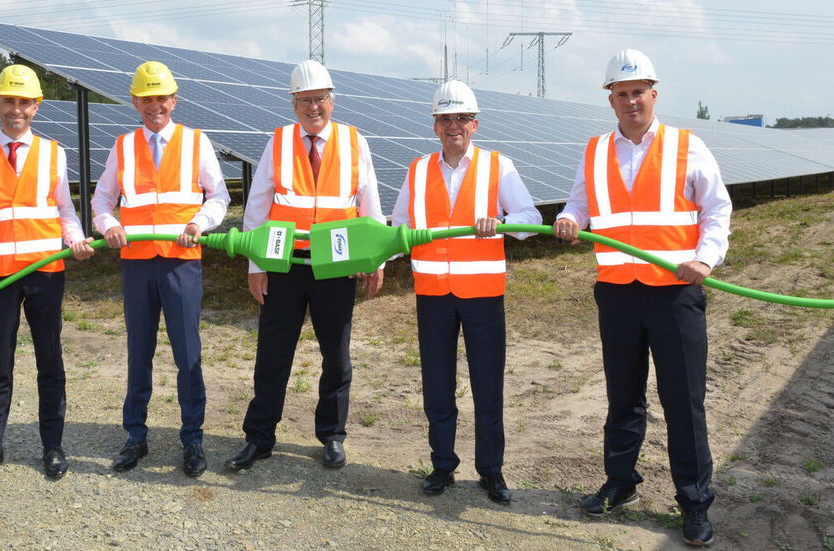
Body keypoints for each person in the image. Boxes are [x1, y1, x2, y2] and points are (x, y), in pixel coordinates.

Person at [554, 49, 731, 547]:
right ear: (610, 99)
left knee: (683, 402)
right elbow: (579, 203)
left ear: (654, 94)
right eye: (622, 93)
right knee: (622, 398)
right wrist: (571, 219)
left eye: (638, 92)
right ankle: (621, 483)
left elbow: (717, 209)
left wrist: (706, 259)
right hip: (616, 294)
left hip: (675, 293)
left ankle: (694, 502)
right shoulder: (594, 151)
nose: (631, 101)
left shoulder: (686, 146)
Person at [226, 59, 385, 471]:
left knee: (336, 355)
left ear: (331, 101)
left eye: (319, 99)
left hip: (336, 264)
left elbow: (369, 207)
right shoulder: (277, 141)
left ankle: (331, 435)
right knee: (272, 354)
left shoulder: (355, 141)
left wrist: (377, 258)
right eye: (304, 101)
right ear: (293, 103)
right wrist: (254, 266)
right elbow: (258, 205)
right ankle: (259, 437)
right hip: (283, 265)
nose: (312, 107)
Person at [391, 80, 542, 504]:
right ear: (435, 126)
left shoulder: (499, 166)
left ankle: (491, 471)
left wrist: (501, 220)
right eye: (445, 119)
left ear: (476, 124)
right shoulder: (418, 170)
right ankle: (442, 465)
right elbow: (400, 228)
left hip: (483, 296)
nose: (453, 125)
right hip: (433, 295)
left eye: (461, 118)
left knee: (487, 387)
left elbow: (530, 220)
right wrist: (375, 263)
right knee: (437, 386)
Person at [0, 64, 95, 484]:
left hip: (45, 274)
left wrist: (76, 239)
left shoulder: (54, 152)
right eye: (9, 101)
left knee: (50, 361)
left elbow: (65, 212)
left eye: (24, 102)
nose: (16, 110)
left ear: (36, 107)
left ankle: (52, 446)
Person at [91, 61, 230, 478]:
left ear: (174, 100)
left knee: (188, 354)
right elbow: (101, 201)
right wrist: (111, 225)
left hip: (181, 264)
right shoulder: (123, 146)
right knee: (139, 353)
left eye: (162, 98)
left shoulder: (196, 142)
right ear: (135, 102)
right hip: (136, 266)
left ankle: (192, 439)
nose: (155, 106)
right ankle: (135, 436)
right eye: (147, 98)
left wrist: (198, 223)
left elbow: (219, 197)